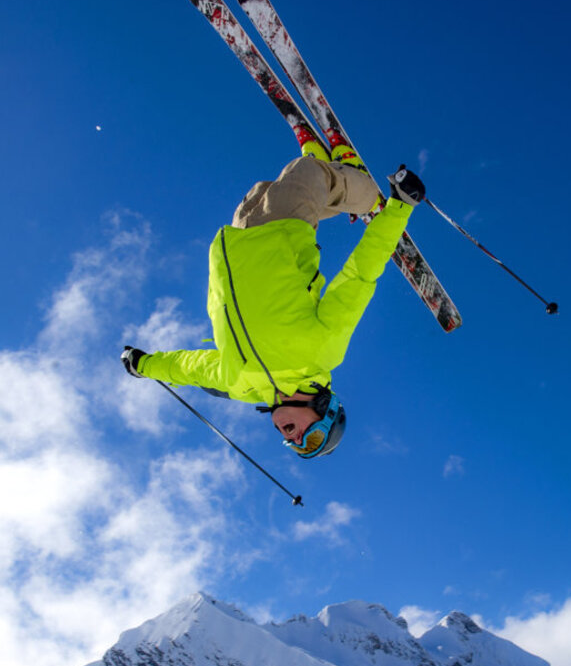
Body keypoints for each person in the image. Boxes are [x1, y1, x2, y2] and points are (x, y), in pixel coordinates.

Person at [121, 146, 425, 459]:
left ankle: (327, 175)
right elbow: (359, 275)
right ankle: (362, 191)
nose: (294, 440)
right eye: (312, 439)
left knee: (267, 190)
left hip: (236, 237)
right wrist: (399, 209)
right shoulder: (322, 352)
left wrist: (143, 365)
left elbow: (188, 369)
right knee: (305, 174)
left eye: (296, 447)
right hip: (285, 230)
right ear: (327, 409)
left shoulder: (239, 384)